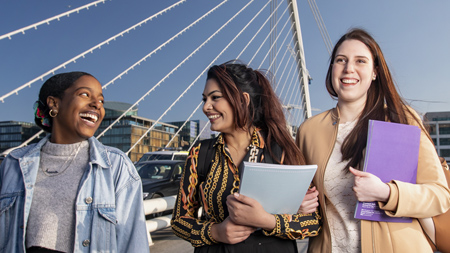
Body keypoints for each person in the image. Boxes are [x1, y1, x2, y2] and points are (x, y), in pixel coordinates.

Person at [296, 28, 450, 253]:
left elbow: (440, 196)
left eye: (360, 61)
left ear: (375, 72)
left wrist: (387, 193)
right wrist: (301, 207)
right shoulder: (309, 131)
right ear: (331, 70)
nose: (349, 68)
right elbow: (305, 204)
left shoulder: (400, 118)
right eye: (341, 60)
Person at [171, 61, 320, 253]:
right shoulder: (200, 153)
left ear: (243, 99)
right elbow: (179, 221)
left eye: (215, 97)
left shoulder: (281, 152)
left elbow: (313, 223)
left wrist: (267, 220)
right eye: (205, 99)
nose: (206, 107)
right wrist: (215, 232)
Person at [0, 72, 149, 253]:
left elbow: (133, 245)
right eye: (85, 94)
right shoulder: (13, 164)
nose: (97, 105)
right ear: (54, 103)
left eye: (101, 101)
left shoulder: (116, 167)